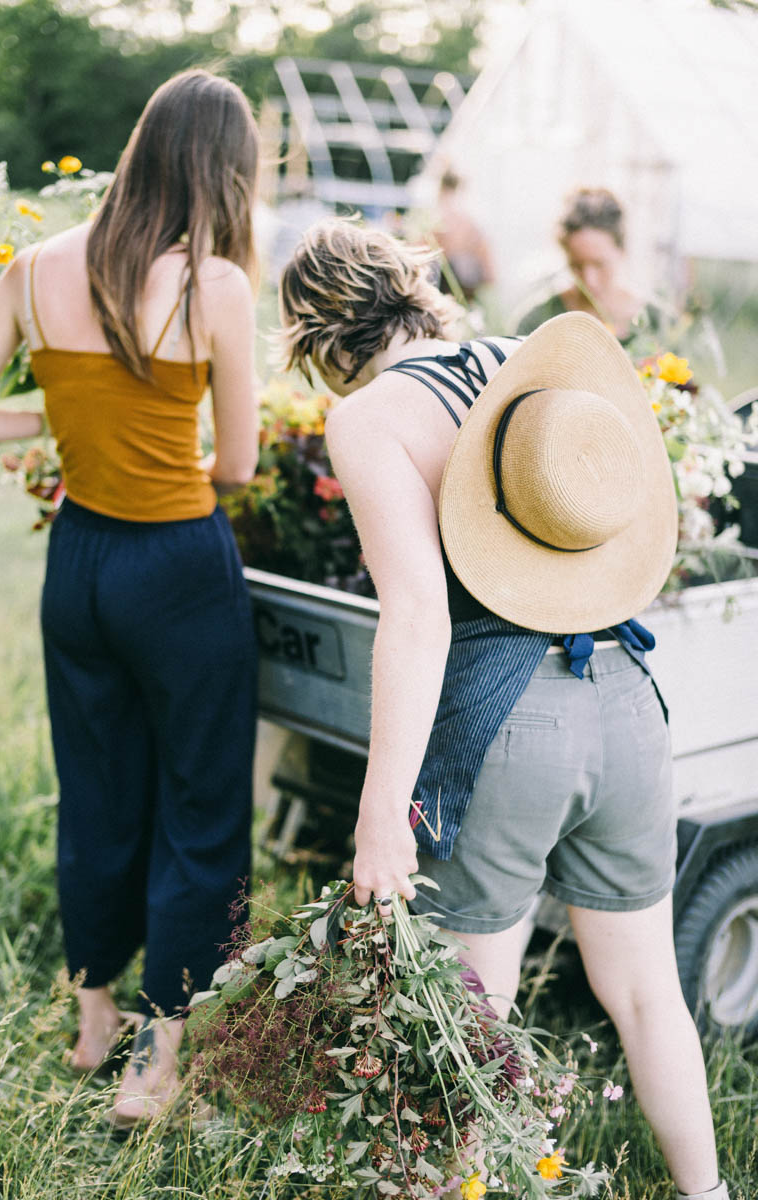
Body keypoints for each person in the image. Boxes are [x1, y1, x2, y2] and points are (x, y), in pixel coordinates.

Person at [277, 218, 729, 1200]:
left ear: (316, 333)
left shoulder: (368, 418)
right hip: (623, 698)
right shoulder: (511, 360)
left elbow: (417, 618)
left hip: (506, 719)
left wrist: (377, 815)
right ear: (411, 291)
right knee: (648, 996)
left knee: (464, 1021)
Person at [0, 69, 260, 1125]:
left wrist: (59, 425)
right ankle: (155, 1056)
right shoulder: (212, 286)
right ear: (225, 170)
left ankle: (93, 1020)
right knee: (202, 803)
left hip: (77, 564)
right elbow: (236, 462)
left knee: (95, 791)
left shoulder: (36, 269)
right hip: (176, 565)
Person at [516, 186, 666, 346]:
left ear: (622, 251)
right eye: (576, 266)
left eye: (599, 264)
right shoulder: (537, 322)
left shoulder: (659, 322)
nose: (589, 280)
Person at [433, 169, 496, 302]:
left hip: (447, 286)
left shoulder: (438, 216)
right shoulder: (470, 219)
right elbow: (489, 273)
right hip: (466, 287)